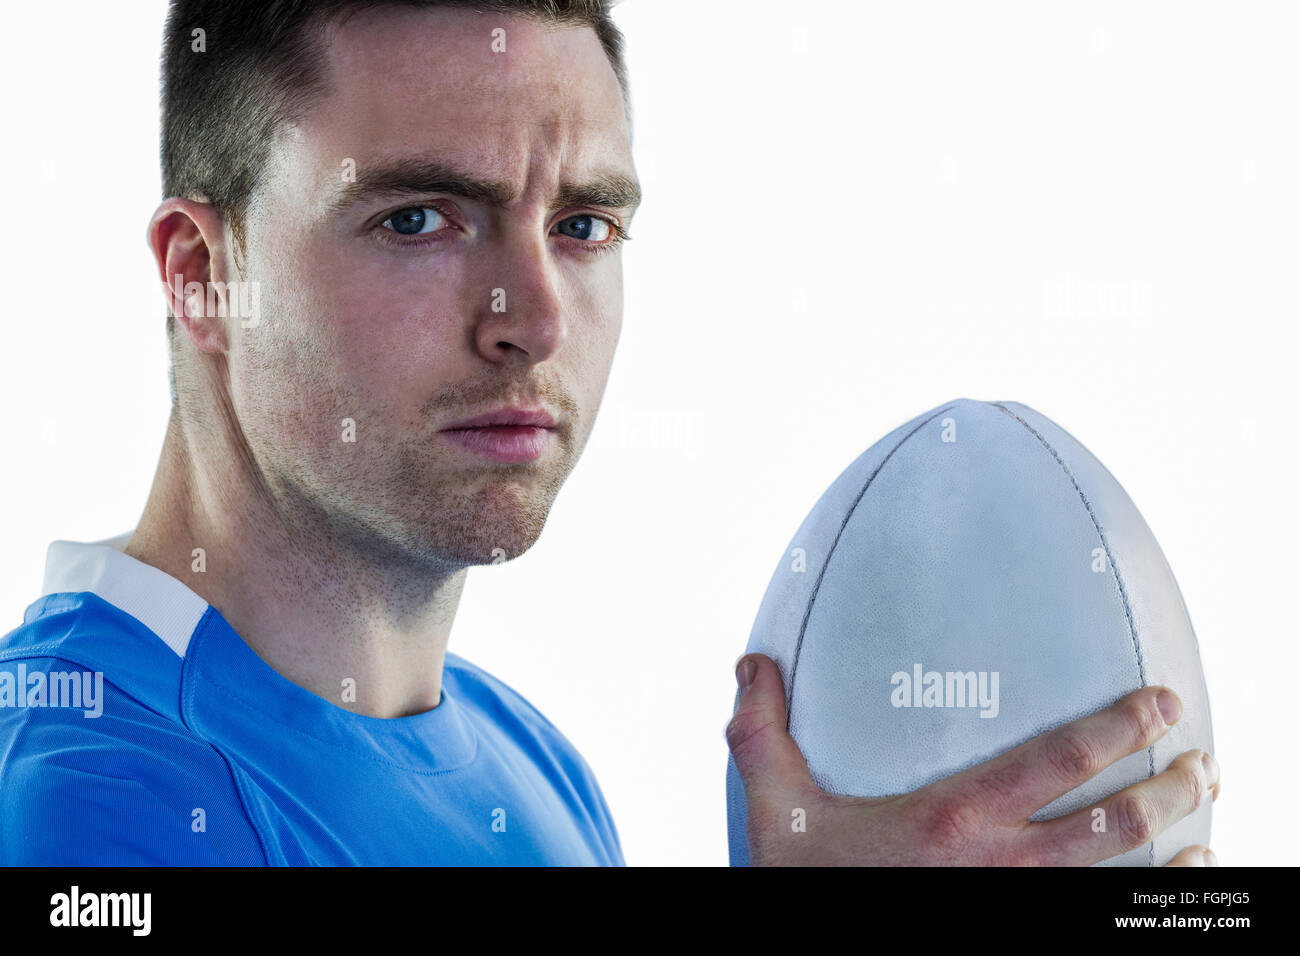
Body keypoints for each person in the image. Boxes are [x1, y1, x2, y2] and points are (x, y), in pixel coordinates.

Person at [0, 0, 1218, 866]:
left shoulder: (530, 762)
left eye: (582, 226)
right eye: (420, 217)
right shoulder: (87, 790)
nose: (531, 316)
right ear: (206, 274)